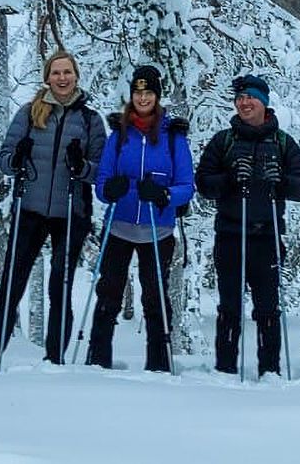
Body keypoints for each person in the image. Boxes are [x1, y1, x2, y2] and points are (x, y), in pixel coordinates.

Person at [0, 50, 107, 371]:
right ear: (47, 78)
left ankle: (55, 361)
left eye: (67, 72)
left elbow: (101, 171)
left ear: (76, 76)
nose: (62, 78)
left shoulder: (90, 120)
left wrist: (81, 165)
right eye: (56, 73)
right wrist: (17, 158)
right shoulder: (29, 113)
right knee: (12, 284)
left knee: (60, 284)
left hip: (71, 211)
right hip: (30, 209)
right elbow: (3, 160)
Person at [194, 73, 300, 377]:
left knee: (268, 308)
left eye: (250, 97)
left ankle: (270, 371)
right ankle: (225, 369)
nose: (244, 103)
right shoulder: (224, 140)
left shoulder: (283, 142)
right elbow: (204, 184)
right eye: (240, 98)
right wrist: (230, 178)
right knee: (229, 306)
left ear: (264, 102)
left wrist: (281, 182)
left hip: (267, 236)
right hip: (230, 235)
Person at [86, 65, 194, 372]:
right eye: (138, 92)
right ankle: (97, 360)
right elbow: (103, 183)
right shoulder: (119, 135)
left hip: (157, 229)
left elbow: (187, 185)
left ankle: (158, 364)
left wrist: (165, 195)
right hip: (119, 227)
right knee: (108, 294)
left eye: (148, 93)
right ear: (131, 95)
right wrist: (111, 189)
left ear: (157, 96)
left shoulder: (174, 138)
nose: (143, 98)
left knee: (155, 298)